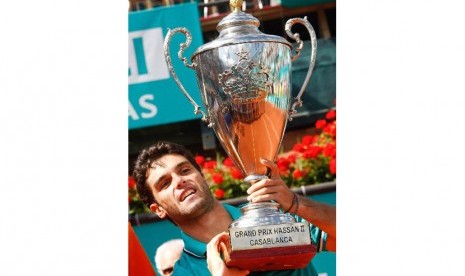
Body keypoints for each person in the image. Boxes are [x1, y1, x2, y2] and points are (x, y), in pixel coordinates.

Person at [133, 141, 336, 275]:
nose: (179, 181)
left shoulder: (275, 215)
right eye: (165, 183)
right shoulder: (185, 273)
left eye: (184, 170)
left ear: (201, 177)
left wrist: (294, 202)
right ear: (158, 209)